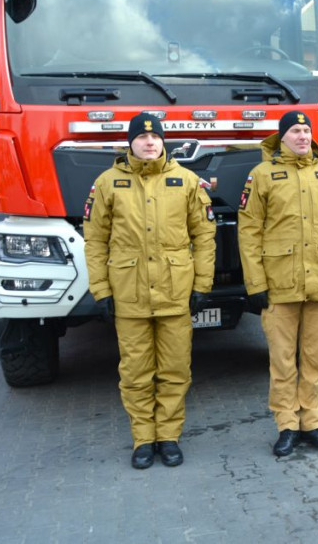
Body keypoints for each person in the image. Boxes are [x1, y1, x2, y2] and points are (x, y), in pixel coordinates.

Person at [83, 112, 216, 469]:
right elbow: (95, 240)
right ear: (130, 143)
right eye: (142, 138)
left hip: (175, 293)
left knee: (175, 369)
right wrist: (101, 290)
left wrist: (202, 284)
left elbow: (204, 236)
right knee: (136, 372)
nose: (149, 142)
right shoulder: (108, 184)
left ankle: (169, 437)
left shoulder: (187, 181)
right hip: (129, 295)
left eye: (155, 137)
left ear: (163, 142)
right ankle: (143, 439)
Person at [238, 110, 318, 457]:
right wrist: (255, 283)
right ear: (282, 137)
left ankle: (313, 423)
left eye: (306, 130)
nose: (303, 136)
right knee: (283, 360)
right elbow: (249, 231)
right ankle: (287, 426)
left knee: (316, 358)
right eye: (295, 131)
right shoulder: (262, 176)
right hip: (279, 285)